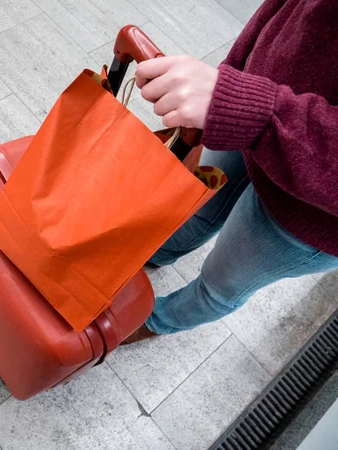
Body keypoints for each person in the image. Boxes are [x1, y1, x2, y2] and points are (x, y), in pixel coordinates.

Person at [123, 0, 338, 344]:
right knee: (194, 210)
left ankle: (157, 320)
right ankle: (157, 254)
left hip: (314, 214)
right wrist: (235, 78)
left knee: (219, 284)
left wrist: (251, 108)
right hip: (249, 108)